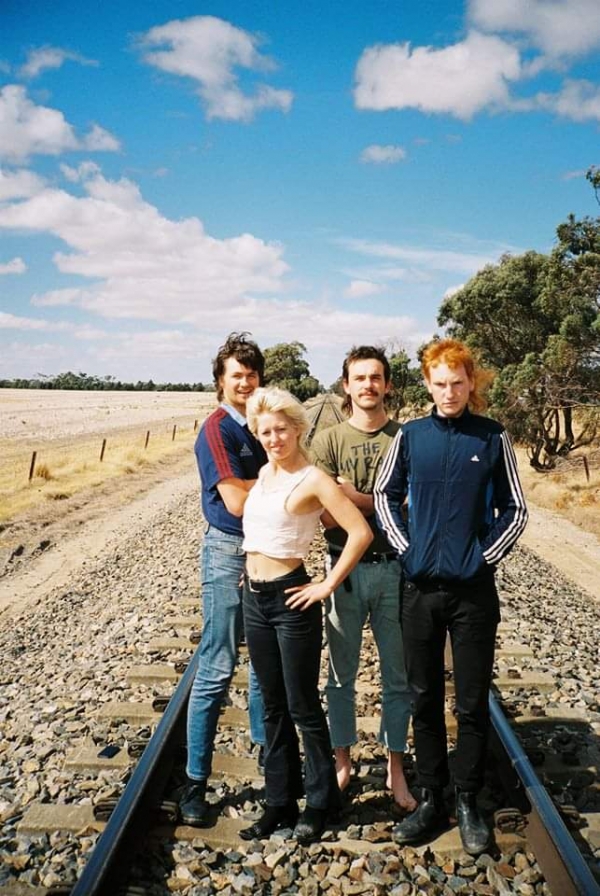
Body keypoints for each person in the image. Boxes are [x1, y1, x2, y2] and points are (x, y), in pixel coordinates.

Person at [374, 338, 528, 855]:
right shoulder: (412, 437)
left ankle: (467, 801)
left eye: (457, 383)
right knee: (423, 696)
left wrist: (483, 557)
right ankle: (431, 796)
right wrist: (406, 551)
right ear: (427, 383)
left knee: (470, 702)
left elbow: (515, 509)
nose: (449, 392)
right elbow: (384, 494)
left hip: (472, 595)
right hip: (418, 589)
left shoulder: (491, 436)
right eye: (439, 383)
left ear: (471, 383)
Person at [239, 386, 373, 844]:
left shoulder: (314, 479)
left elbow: (359, 532)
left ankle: (320, 802)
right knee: (272, 704)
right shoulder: (262, 474)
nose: (274, 438)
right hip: (254, 599)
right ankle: (279, 801)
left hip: (291, 599)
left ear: (297, 429)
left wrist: (326, 584)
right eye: (265, 432)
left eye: (281, 430)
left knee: (302, 705)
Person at [310, 346, 415, 810]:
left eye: (376, 378)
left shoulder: (407, 439)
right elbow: (326, 517)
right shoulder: (329, 441)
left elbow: (416, 507)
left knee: (398, 676)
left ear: (387, 385)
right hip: (343, 572)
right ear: (346, 386)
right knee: (339, 676)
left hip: (395, 571)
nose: (368, 385)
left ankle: (395, 767)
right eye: (360, 378)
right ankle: (343, 760)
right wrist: (384, 501)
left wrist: (354, 498)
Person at [180, 332, 267, 827]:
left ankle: (264, 757)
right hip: (229, 552)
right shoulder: (218, 430)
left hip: (266, 552)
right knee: (217, 666)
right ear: (220, 381)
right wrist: (283, 480)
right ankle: (195, 781)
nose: (245, 382)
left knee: (262, 665)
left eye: (252, 375)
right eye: (237, 374)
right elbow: (235, 502)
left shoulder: (257, 425)